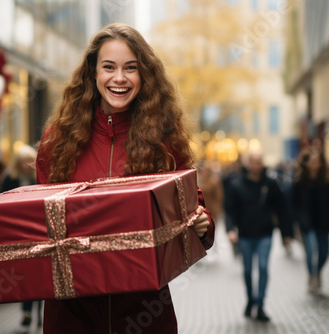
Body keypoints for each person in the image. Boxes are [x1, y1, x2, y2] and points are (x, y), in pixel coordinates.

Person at [36, 23, 215, 333]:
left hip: (145, 314)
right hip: (71, 314)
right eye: (109, 67)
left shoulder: (165, 139)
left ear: (144, 75)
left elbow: (193, 209)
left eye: (130, 68)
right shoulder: (57, 141)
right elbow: (42, 223)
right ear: (93, 72)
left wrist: (203, 222)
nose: (119, 78)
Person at [225, 152, 292, 322]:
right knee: (247, 270)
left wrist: (286, 234)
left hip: (265, 234)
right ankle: (250, 300)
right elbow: (230, 211)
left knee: (263, 267)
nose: (257, 166)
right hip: (245, 235)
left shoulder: (270, 184)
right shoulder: (236, 185)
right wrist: (231, 229)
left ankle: (260, 304)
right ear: (248, 164)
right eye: (254, 162)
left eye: (259, 162)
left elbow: (282, 209)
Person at [0, 145, 43, 328]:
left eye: (28, 161)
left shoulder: (39, 177)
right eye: (22, 162)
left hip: (40, 230)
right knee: (25, 275)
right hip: (19, 233)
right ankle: (26, 311)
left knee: (41, 274)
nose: (26, 165)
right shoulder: (10, 179)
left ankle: (40, 313)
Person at [291, 149, 329, 294]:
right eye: (311, 161)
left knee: (324, 252)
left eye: (317, 161)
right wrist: (297, 221)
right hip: (307, 224)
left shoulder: (328, 181)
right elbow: (294, 204)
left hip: (323, 223)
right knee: (311, 250)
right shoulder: (299, 182)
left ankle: (317, 272)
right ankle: (312, 276)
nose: (314, 164)